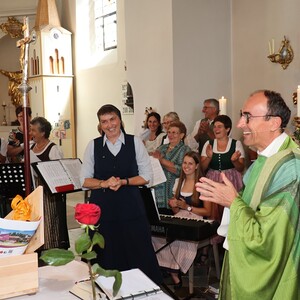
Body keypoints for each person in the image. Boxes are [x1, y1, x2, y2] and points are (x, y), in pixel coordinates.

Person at [196, 90, 300, 299]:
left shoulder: (291, 167)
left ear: (274, 122)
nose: (240, 123)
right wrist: (230, 201)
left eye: (247, 117)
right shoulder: (262, 160)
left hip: (274, 278)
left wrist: (232, 202)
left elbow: (268, 239)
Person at [80, 104, 162, 285]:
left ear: (120, 120)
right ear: (100, 125)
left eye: (112, 119)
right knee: (106, 251)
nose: (109, 125)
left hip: (131, 207)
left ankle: (142, 289)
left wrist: (123, 181)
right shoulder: (93, 146)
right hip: (102, 209)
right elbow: (84, 180)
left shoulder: (135, 143)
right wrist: (103, 183)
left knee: (137, 249)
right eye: (104, 122)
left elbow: (146, 177)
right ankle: (104, 289)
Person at [152, 151, 212, 288]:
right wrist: (174, 205)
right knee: (157, 237)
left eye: (190, 163)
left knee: (180, 239)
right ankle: (167, 268)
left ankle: (174, 272)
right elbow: (177, 212)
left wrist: (188, 207)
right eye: (185, 163)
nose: (186, 166)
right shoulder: (179, 182)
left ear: (197, 166)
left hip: (197, 219)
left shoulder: (202, 184)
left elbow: (207, 211)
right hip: (180, 216)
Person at [29, 116, 68, 250]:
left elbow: (58, 171)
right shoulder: (31, 147)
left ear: (43, 132)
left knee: (50, 220)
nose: (31, 133)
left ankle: (51, 246)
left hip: (49, 192)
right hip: (35, 189)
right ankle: (38, 246)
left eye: (34, 130)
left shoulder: (53, 149)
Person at [201, 115, 245, 222]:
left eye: (219, 126)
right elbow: (202, 167)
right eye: (215, 126)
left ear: (227, 129)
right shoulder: (209, 144)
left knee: (231, 212)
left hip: (232, 179)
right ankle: (215, 236)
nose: (216, 129)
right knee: (214, 212)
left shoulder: (236, 144)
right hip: (213, 179)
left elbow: (241, 168)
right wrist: (209, 157)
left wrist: (234, 161)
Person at [152, 121, 190, 209]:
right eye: (169, 132)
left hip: (172, 192)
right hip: (157, 192)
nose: (170, 135)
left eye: (174, 133)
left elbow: (181, 170)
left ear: (181, 135)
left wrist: (161, 160)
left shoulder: (185, 150)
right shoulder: (161, 148)